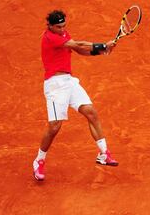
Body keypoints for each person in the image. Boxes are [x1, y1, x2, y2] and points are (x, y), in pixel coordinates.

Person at [33, 10, 118, 181]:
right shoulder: (50, 37)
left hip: (69, 82)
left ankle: (103, 154)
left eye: (64, 26)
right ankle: (39, 161)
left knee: (91, 112)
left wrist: (100, 52)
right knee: (54, 127)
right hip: (55, 86)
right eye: (58, 27)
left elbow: (80, 51)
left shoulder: (63, 34)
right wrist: (103, 46)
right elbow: (78, 44)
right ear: (49, 26)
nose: (62, 29)